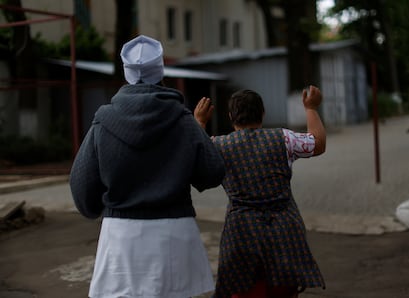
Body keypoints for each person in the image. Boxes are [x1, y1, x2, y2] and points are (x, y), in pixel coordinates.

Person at [69, 35, 225, 298]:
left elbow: (82, 188)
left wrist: (95, 207)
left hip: (121, 238)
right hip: (174, 235)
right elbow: (212, 172)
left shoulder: (102, 123)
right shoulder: (183, 120)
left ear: (127, 74)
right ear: (160, 71)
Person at [194, 86, 326, 298]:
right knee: (283, 292)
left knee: (245, 290)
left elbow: (194, 156)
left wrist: (199, 123)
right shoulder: (284, 138)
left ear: (230, 117)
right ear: (263, 113)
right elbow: (318, 143)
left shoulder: (217, 145)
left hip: (241, 234)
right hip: (284, 230)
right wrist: (310, 108)